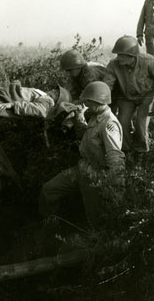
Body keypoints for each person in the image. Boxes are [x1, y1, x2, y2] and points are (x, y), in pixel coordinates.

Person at [39, 81, 125, 227]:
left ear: (98, 102)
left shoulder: (109, 124)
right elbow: (84, 137)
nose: (86, 104)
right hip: (82, 169)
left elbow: (115, 156)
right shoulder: (95, 116)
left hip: (96, 176)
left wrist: (116, 187)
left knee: (95, 220)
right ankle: (49, 225)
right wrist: (79, 117)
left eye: (89, 102)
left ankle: (96, 242)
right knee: (49, 190)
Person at [104, 36, 154, 153]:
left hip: (147, 95)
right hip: (126, 97)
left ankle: (141, 151)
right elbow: (107, 85)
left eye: (121, 55)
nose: (118, 58)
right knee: (122, 122)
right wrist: (102, 100)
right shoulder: (113, 65)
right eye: (117, 55)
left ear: (132, 56)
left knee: (141, 122)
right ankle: (125, 150)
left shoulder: (148, 62)